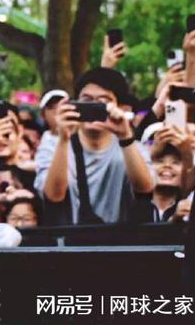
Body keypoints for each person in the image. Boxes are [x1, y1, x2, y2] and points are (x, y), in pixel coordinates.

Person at [35, 68, 154, 224]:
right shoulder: (53, 145)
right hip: (70, 235)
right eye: (87, 100)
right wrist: (63, 139)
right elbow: (54, 196)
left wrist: (125, 137)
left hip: (120, 235)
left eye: (104, 101)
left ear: (121, 108)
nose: (94, 106)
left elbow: (145, 189)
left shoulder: (133, 148)